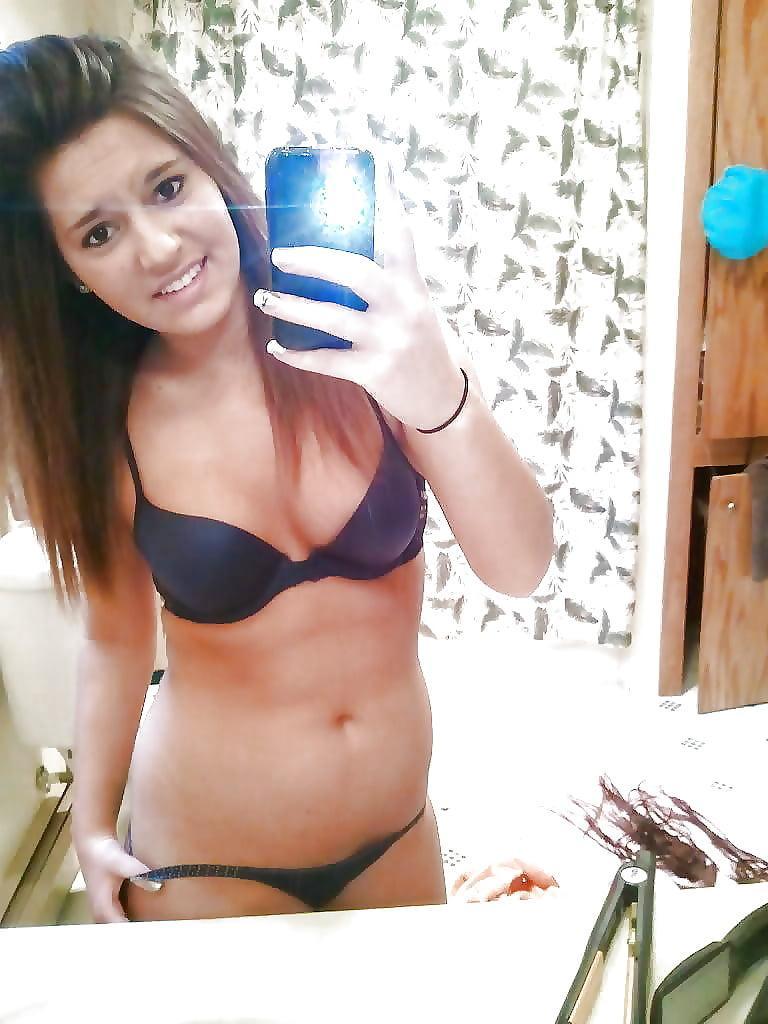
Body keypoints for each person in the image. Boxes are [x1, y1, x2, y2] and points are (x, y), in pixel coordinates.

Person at [0, 34, 554, 924]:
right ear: (69, 274)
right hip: (207, 860)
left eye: (167, 187)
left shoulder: (374, 339)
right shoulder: (103, 429)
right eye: (98, 232)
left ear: (212, 169)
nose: (157, 246)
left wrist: (438, 397)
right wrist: (92, 826)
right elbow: (114, 638)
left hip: (396, 836)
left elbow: (521, 568)